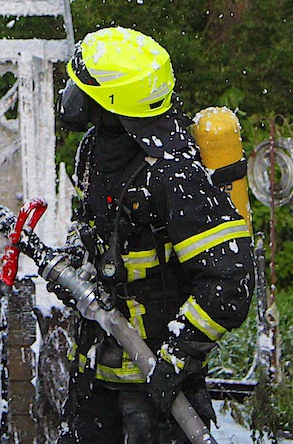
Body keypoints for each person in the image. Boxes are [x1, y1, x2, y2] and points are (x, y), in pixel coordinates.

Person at [57, 26, 255, 444]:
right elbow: (93, 231)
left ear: (113, 101)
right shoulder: (94, 149)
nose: (70, 98)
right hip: (95, 378)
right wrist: (75, 266)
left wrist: (177, 357)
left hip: (157, 397)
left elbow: (230, 279)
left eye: (82, 88)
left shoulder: (173, 172)